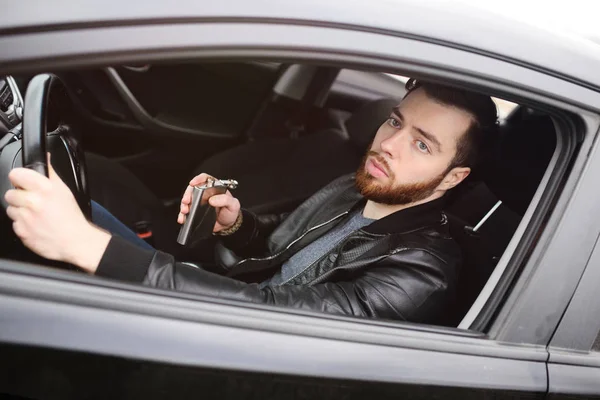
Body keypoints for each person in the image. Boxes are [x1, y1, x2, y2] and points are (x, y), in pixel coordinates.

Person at [4, 79, 497, 324]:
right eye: (395, 122)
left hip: (224, 341)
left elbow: (276, 313)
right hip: (212, 297)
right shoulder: (362, 187)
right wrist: (236, 223)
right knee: (50, 195)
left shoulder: (420, 274)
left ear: (453, 177)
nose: (388, 144)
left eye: (422, 144)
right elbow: (285, 242)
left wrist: (89, 250)